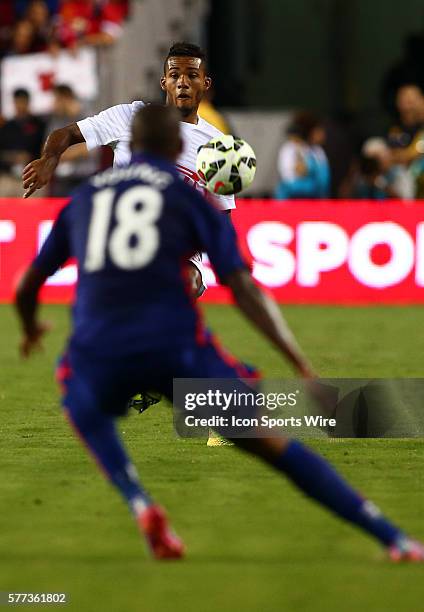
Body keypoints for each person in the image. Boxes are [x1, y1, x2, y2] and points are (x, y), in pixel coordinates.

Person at [15, 104, 424, 562]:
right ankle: (393, 538)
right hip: (177, 350)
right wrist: (301, 366)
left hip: (98, 349)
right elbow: (244, 289)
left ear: (130, 145)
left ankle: (139, 499)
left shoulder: (85, 200)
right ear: (175, 147)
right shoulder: (189, 197)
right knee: (271, 443)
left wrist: (31, 329)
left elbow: (26, 286)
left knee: (76, 395)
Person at [21, 41, 235, 440]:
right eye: (174, 75)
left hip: (176, 252)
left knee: (185, 283)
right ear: (162, 83)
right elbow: (66, 133)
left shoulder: (219, 147)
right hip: (123, 246)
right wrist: (50, 158)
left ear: (205, 83)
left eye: (191, 75)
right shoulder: (131, 118)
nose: (182, 83)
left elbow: (221, 216)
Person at [0, 88, 45, 197]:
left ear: (28, 102)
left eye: (23, 102)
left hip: (32, 176)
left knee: (33, 208)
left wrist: (29, 157)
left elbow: (45, 150)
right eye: (17, 102)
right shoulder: (6, 126)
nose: (20, 106)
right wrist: (11, 157)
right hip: (9, 176)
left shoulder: (39, 125)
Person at [275, 112, 330, 200]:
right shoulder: (290, 148)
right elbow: (289, 178)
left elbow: (323, 180)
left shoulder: (318, 151)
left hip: (316, 201)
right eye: (319, 130)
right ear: (310, 131)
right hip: (293, 203)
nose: (323, 134)